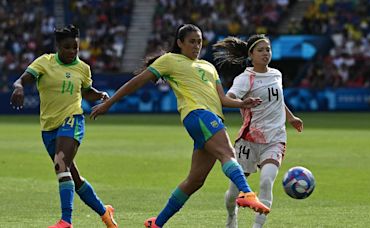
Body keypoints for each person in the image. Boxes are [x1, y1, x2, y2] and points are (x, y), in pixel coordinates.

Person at [90, 24, 271, 228]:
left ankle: (157, 223)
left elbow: (221, 98)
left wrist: (241, 103)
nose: (196, 46)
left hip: (212, 118)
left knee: (195, 181)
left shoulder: (208, 66)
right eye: (192, 41)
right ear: (180, 43)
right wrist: (109, 103)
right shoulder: (170, 60)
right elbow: (137, 82)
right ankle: (246, 193)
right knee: (227, 152)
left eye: (199, 42)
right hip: (197, 114)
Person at [10, 25, 118, 228]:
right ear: (57, 46)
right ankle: (105, 213)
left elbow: (86, 91)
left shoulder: (83, 68)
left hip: (73, 119)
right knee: (71, 176)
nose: (71, 52)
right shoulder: (44, 62)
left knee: (60, 165)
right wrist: (18, 87)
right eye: (66, 47)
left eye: (75, 48)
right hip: (49, 127)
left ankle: (66, 221)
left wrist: (100, 95)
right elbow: (22, 79)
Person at [213, 35, 304, 228]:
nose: (265, 53)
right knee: (233, 193)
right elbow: (228, 98)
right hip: (249, 140)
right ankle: (231, 216)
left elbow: (278, 101)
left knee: (266, 183)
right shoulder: (245, 79)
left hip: (275, 138)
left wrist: (291, 117)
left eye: (268, 49)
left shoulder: (276, 74)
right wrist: (242, 103)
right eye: (261, 50)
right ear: (251, 55)